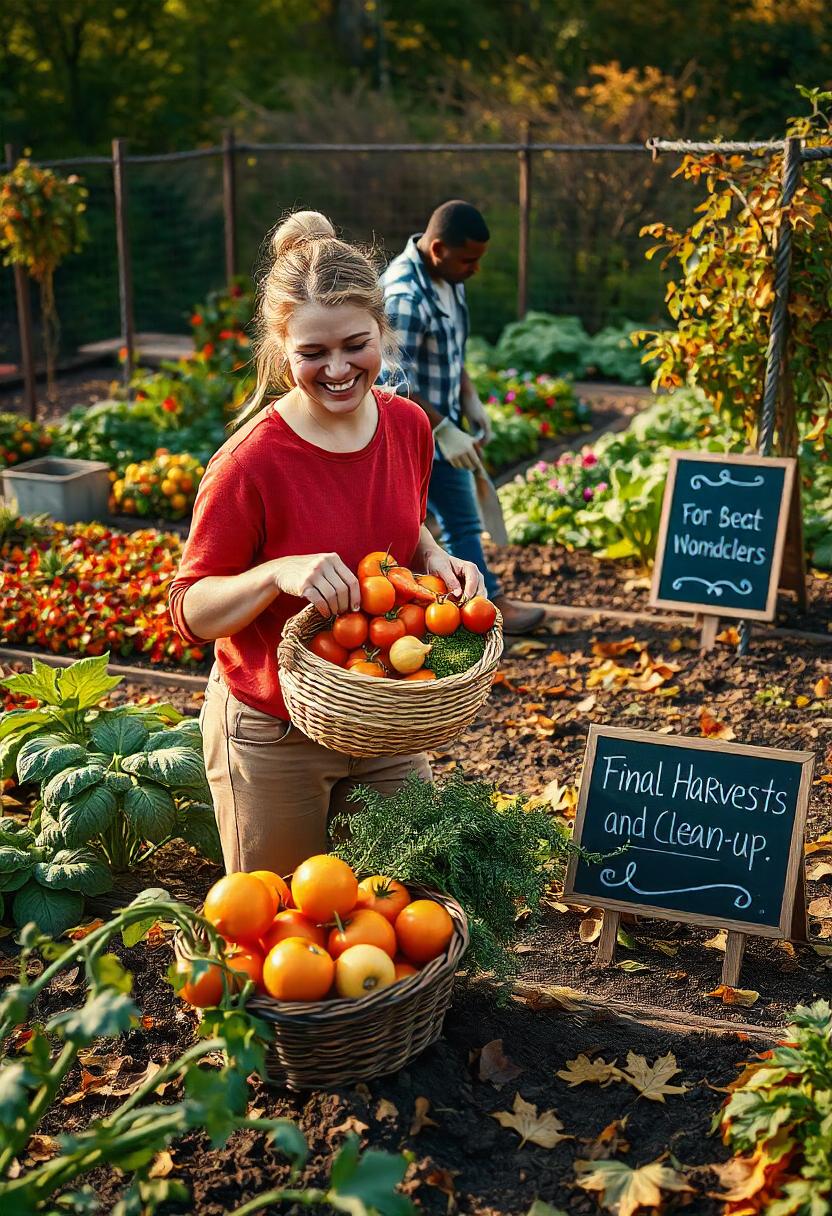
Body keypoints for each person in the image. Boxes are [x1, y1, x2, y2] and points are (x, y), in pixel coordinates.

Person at [168, 211, 485, 877]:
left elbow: (400, 527)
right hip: (274, 728)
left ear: (381, 330)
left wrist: (433, 557)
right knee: (285, 927)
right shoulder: (250, 463)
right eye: (313, 353)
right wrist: (276, 573)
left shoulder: (407, 427)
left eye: (355, 345)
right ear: (282, 353)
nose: (338, 370)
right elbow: (192, 611)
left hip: (385, 714)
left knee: (403, 905)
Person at [381, 200, 545, 634]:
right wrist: (442, 427)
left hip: (442, 423)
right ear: (438, 249)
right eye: (468, 259)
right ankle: (483, 609)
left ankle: (465, 607)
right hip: (410, 431)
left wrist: (469, 401)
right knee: (459, 520)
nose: (474, 269)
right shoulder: (404, 294)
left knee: (450, 521)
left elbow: (450, 352)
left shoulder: (449, 279)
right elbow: (391, 378)